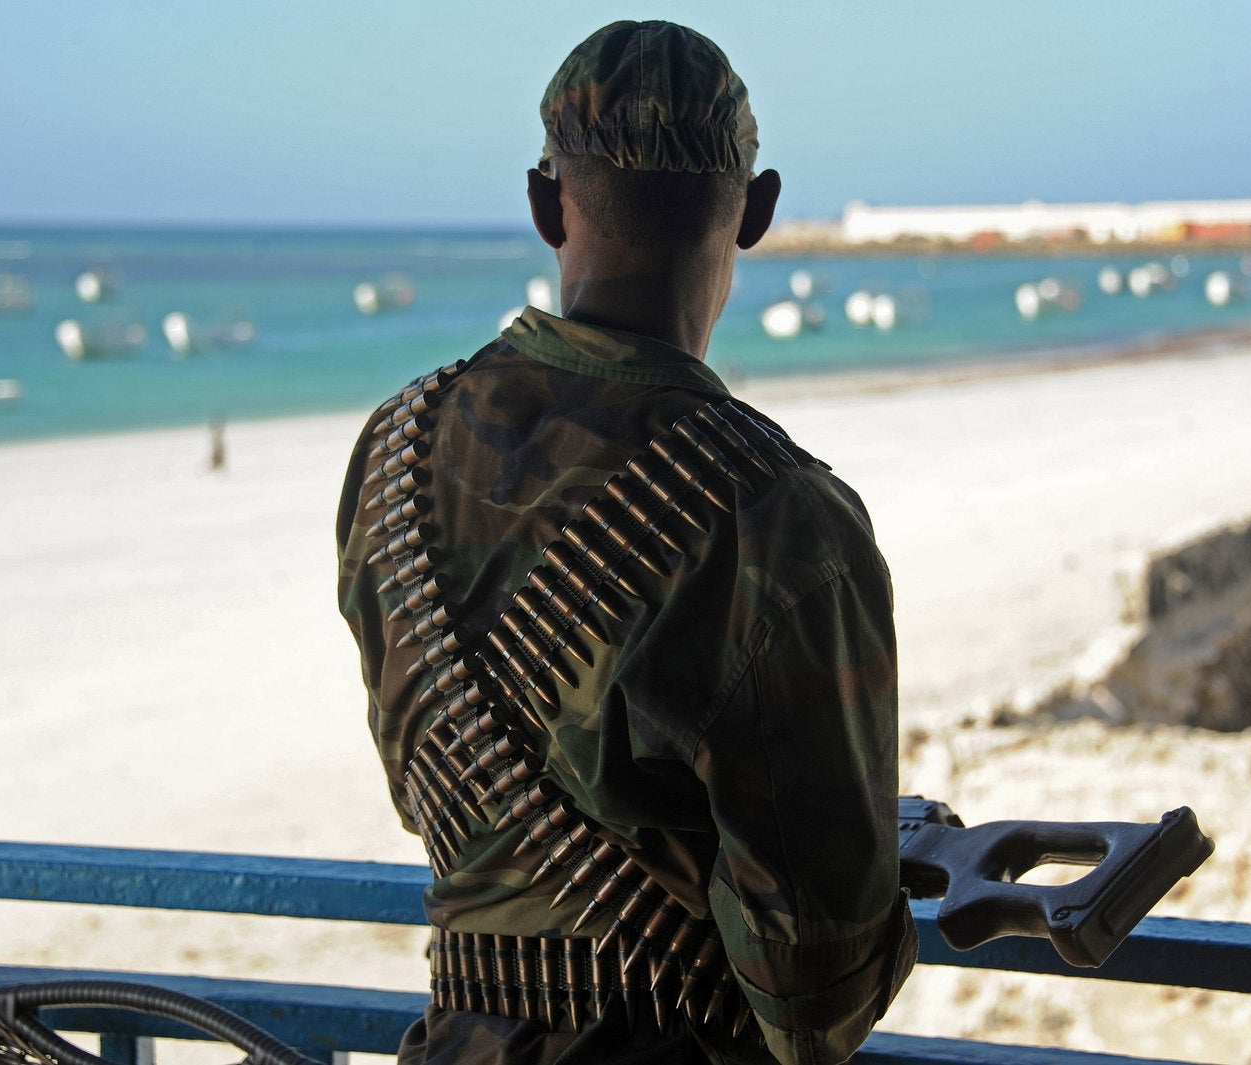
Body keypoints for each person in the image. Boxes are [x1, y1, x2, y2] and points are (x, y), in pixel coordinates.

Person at [337, 21, 913, 1065]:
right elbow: (815, 992)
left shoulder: (396, 441)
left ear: (545, 203)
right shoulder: (777, 517)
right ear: (759, 212)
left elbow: (439, 795)